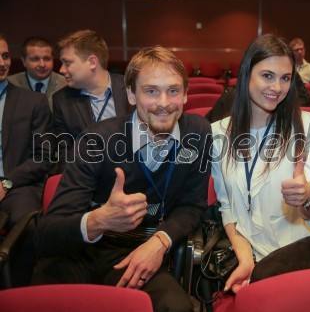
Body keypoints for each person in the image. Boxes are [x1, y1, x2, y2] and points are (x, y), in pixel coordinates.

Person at [33, 46, 212, 312]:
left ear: (185, 95)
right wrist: (99, 220)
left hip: (142, 251)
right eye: (151, 91)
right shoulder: (96, 140)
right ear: (131, 94)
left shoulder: (198, 131)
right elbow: (47, 235)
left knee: (177, 307)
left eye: (173, 91)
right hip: (80, 253)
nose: (163, 102)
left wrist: (160, 242)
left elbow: (192, 206)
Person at [211, 34, 310, 294]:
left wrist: (307, 197)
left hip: (306, 241)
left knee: (261, 284)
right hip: (250, 246)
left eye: (285, 78)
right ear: (247, 74)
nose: (277, 87)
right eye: (267, 75)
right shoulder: (218, 133)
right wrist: (244, 253)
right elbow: (227, 207)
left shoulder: (306, 126)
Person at [0, 34, 53, 286]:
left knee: (26, 229)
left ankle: (18, 293)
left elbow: (43, 158)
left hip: (17, 186)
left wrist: (6, 183)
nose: (2, 63)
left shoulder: (32, 101)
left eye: (4, 56)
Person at [52, 29, 133, 171]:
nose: (61, 70)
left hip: (132, 172)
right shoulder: (61, 101)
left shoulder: (131, 89)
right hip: (88, 177)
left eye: (67, 63)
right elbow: (66, 153)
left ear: (92, 62)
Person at [7, 36, 67, 109]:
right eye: (35, 59)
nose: (42, 64)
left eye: (47, 59)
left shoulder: (65, 84)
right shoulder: (10, 84)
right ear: (23, 61)